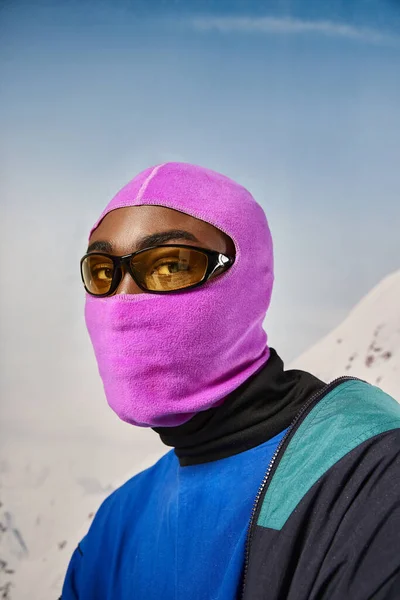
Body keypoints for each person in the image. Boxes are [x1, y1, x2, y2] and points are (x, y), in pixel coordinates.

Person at [61, 162, 400, 600]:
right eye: (104, 272)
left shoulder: (366, 473)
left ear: (249, 283)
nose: (124, 300)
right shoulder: (117, 523)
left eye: (170, 265)